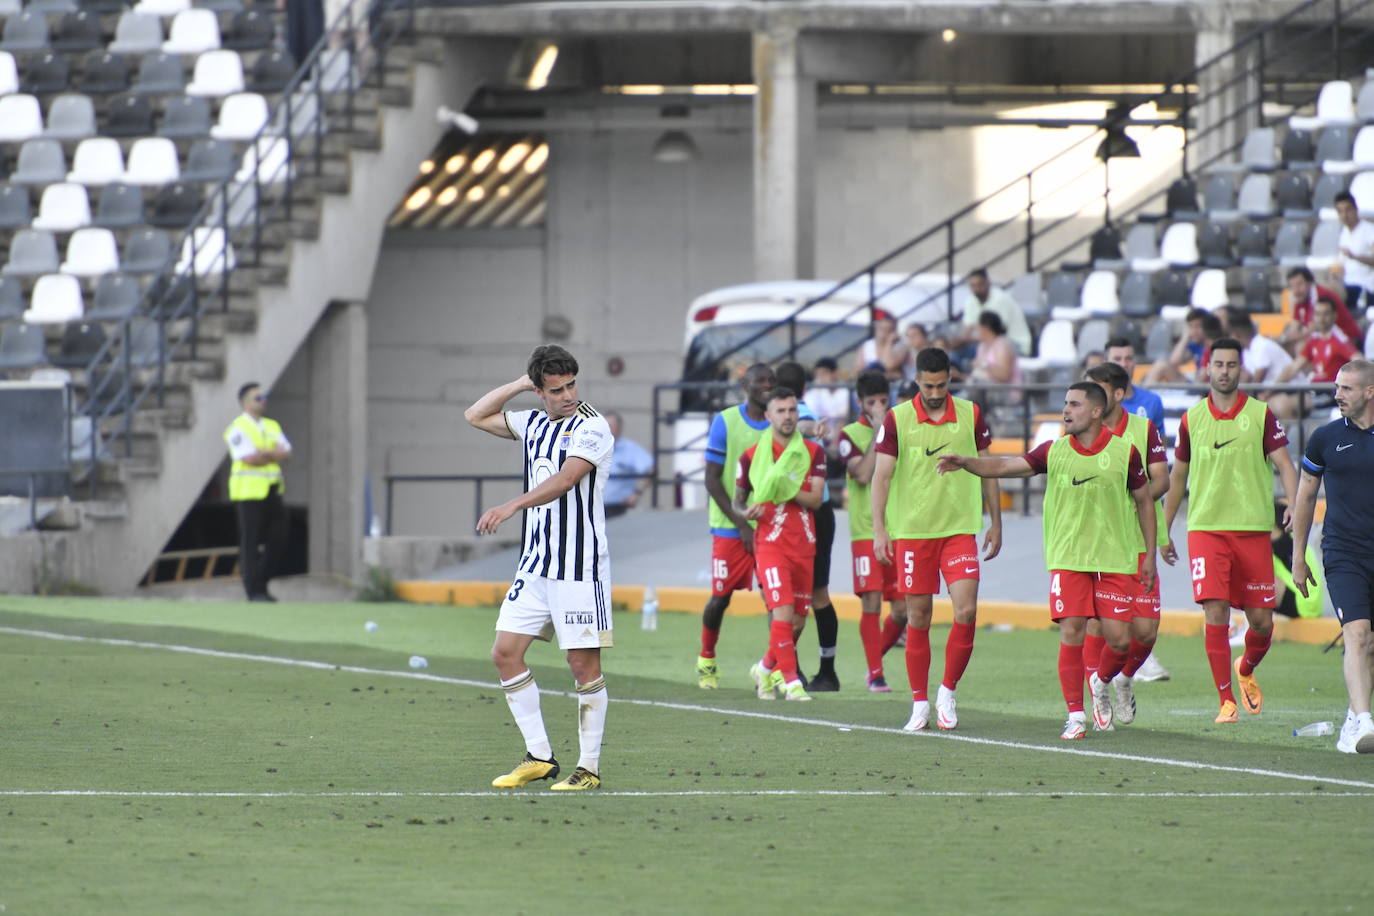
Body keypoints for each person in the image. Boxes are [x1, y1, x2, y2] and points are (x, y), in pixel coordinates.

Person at [937, 383, 1156, 739]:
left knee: (1119, 641)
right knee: (1071, 629)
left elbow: (1144, 501)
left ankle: (1100, 681)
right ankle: (1075, 716)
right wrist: (967, 463)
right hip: (1068, 558)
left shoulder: (1124, 453)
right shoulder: (1052, 451)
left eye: (1074, 404)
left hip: (1114, 559)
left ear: (1096, 412)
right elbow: (1007, 465)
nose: (1065, 410)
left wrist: (1148, 556)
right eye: (1065, 404)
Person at [466, 345, 614, 791]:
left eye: (572, 385)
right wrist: (518, 385)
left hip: (578, 567)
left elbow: (566, 479)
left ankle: (588, 768)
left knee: (581, 664)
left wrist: (512, 505)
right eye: (555, 389)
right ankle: (540, 757)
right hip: (536, 565)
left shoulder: (592, 426)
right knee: (504, 653)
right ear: (539, 391)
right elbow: (475, 415)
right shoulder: (530, 422)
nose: (568, 395)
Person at [1163, 337, 1299, 724]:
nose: (1224, 371)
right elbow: (1178, 476)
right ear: (1208, 368)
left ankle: (1246, 668)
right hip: (1206, 529)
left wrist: (1292, 504)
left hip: (1253, 531)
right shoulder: (1192, 419)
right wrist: (1164, 529)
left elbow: (1286, 465)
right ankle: (1226, 701)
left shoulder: (1260, 414)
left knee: (1262, 621)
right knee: (1215, 610)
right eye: (1218, 364)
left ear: (1241, 369)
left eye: (1231, 365)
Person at [871, 347, 1002, 730]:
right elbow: (881, 477)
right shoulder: (897, 419)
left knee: (966, 611)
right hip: (913, 533)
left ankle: (947, 691)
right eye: (928, 385)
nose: (934, 392)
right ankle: (919, 704)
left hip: (959, 529)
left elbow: (988, 468)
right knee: (918, 617)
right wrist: (880, 529)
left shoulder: (970, 414)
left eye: (941, 384)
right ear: (916, 381)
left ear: (950, 379)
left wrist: (996, 521)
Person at [1290, 359, 1374, 753]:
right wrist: (1298, 555)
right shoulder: (1324, 438)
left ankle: (1353, 717)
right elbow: (1306, 496)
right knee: (1357, 633)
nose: (1337, 395)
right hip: (1344, 552)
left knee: (1370, 642)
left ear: (1369, 392)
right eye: (1337, 387)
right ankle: (1362, 722)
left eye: (1346, 389)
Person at [1082, 362, 1171, 725]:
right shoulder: (1080, 429)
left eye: (1097, 390)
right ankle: (1097, 691)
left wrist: (1131, 500)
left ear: (1118, 394)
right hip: (1097, 542)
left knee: (1146, 629)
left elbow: (1162, 479)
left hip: (1138, 538)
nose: (1088, 398)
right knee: (1099, 624)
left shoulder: (1143, 429)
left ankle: (1122, 677)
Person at [735, 386, 828, 702]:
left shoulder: (813, 453)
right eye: (782, 411)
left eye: (792, 411)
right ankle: (791, 682)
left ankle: (763, 668)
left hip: (803, 544)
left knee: (798, 621)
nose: (789, 417)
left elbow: (815, 499)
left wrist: (787, 488)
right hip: (770, 544)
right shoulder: (750, 457)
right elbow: (737, 502)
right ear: (767, 416)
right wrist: (746, 512)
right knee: (783, 614)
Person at [695, 363, 774, 689]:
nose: (767, 386)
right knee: (721, 597)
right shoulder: (725, 421)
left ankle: (773, 669)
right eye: (760, 381)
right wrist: (741, 524)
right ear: (745, 384)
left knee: (774, 599)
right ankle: (707, 659)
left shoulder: (779, 423)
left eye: (772, 381)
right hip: (729, 526)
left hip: (770, 527)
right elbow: (712, 481)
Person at [837, 370, 907, 691]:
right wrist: (880, 433)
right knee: (872, 602)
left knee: (903, 610)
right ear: (859, 403)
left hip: (899, 528)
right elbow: (863, 475)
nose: (879, 407)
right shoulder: (848, 436)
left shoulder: (902, 427)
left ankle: (872, 660)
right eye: (872, 402)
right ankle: (876, 673)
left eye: (883, 401)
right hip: (866, 530)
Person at [775, 361, 841, 689]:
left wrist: (805, 429)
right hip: (814, 510)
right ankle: (818, 670)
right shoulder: (796, 412)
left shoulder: (796, 413)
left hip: (807, 512)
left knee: (800, 598)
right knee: (807, 597)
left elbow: (802, 425)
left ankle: (797, 671)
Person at [224, 381, 292, 602]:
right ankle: (253, 590)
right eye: (258, 398)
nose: (263, 401)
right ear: (245, 403)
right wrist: (270, 453)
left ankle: (262, 581)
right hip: (247, 493)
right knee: (250, 542)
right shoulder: (237, 428)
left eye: (264, 397)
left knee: (279, 537)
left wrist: (265, 453)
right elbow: (249, 459)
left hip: (272, 490)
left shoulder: (271, 425)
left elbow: (286, 453)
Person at [1276, 297, 1360, 413]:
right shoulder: (1314, 339)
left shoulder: (1339, 339)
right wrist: (1272, 388)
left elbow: (1359, 360)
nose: (1321, 319)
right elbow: (1294, 367)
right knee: (1276, 402)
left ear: (1334, 316)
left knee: (1283, 405)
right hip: (1313, 391)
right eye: (1318, 314)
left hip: (1329, 394)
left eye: (1326, 314)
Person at [1280, 266, 1362, 349]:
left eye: (1299, 284)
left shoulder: (1320, 296)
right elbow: (1294, 329)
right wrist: (1281, 340)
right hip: (1326, 336)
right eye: (1292, 286)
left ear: (1310, 283)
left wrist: (1282, 339)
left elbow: (1315, 329)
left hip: (1347, 338)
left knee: (1302, 347)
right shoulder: (1301, 298)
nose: (1296, 290)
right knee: (1289, 346)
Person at [955, 269, 1032, 357]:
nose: (977, 289)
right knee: (955, 353)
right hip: (990, 343)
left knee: (974, 352)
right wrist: (957, 343)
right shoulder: (971, 300)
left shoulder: (1000, 299)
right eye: (973, 286)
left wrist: (965, 340)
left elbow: (995, 334)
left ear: (988, 283)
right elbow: (967, 329)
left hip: (1015, 345)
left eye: (980, 284)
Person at [1145, 308, 1223, 385]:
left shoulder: (1214, 348)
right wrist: (1185, 337)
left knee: (1161, 366)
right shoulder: (1196, 346)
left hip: (1204, 387)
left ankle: (1144, 395)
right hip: (1196, 384)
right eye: (1191, 327)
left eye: (1197, 326)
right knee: (1161, 365)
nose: (1194, 331)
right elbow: (1174, 362)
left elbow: (1204, 375)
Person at [966, 312, 1023, 416]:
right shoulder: (981, 347)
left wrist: (984, 366)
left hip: (1006, 392)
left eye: (978, 327)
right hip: (984, 391)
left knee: (977, 390)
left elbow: (1004, 376)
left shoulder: (1003, 345)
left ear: (985, 328)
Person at [1105, 337, 1165, 434]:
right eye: (1117, 359)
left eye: (1128, 358)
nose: (1124, 364)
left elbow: (1160, 446)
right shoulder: (1097, 402)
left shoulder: (1152, 401)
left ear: (1135, 362)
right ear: (1106, 363)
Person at [602, 410, 653, 518]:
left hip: (618, 508)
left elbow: (650, 470)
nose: (606, 429)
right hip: (592, 507)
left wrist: (637, 494)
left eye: (610, 425)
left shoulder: (630, 449)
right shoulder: (592, 448)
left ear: (619, 428)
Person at [1335, 191, 1374, 312]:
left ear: (1355, 209)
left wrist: (1355, 257)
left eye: (1348, 210)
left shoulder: (1369, 230)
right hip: (1347, 286)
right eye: (1340, 211)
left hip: (1365, 287)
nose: (1345, 215)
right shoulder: (1343, 234)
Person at [857, 315, 907, 381]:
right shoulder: (867, 345)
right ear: (877, 329)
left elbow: (889, 365)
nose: (884, 332)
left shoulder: (900, 347)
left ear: (894, 332)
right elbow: (858, 369)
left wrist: (889, 343)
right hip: (869, 383)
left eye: (888, 330)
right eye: (882, 328)